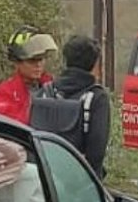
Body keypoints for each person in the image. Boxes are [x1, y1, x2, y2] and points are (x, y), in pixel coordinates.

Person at [44, 35, 111, 178]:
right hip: (80, 181)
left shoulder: (46, 91)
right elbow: (97, 152)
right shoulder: (97, 98)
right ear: (95, 65)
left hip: (46, 177)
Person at [0, 26, 58, 125]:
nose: (38, 65)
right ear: (17, 62)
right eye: (32, 60)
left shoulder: (53, 85)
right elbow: (11, 125)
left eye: (41, 59)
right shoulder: (5, 92)